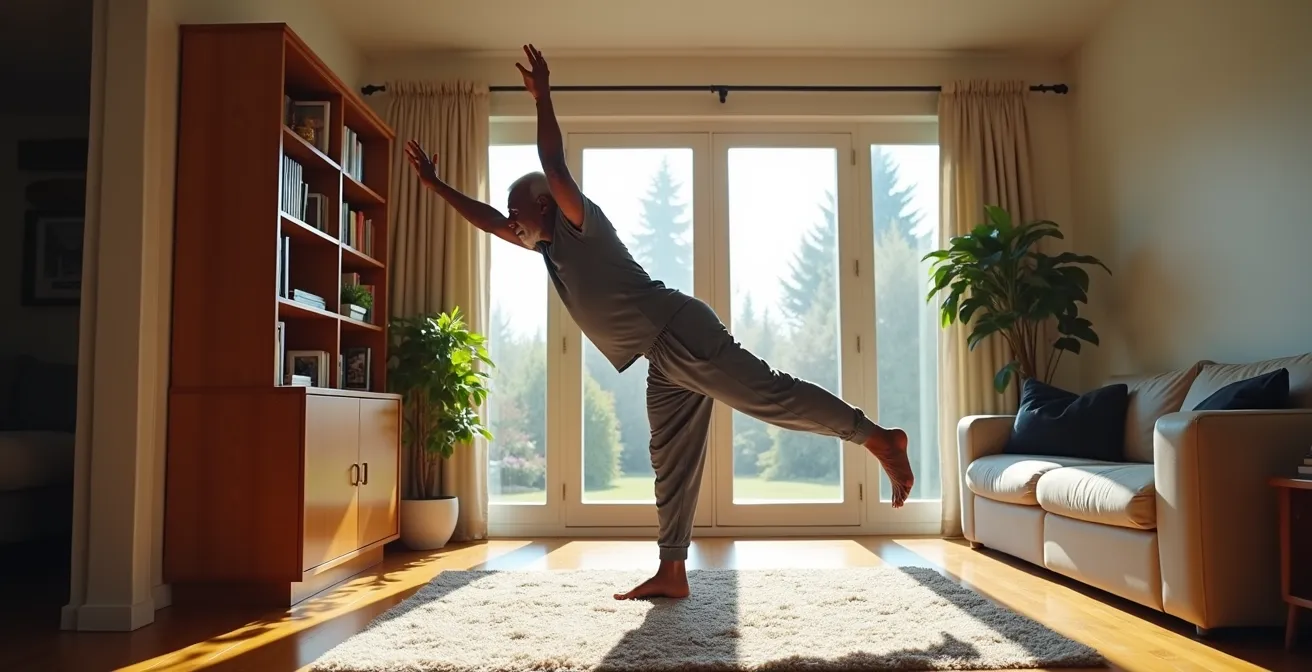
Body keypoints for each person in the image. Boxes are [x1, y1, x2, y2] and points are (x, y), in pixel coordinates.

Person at [403, 44, 915, 601]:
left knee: (770, 395)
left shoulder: (579, 223)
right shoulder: (550, 248)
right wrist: (434, 187)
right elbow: (490, 224)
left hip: (679, 331)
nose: (510, 222)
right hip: (660, 355)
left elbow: (554, 166)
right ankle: (672, 571)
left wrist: (544, 98)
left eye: (516, 209)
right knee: (669, 458)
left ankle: (877, 437)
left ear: (547, 205)